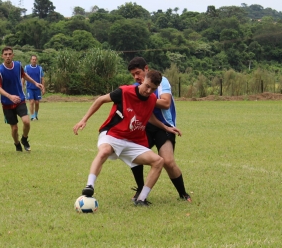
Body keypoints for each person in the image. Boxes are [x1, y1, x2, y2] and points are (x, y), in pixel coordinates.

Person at [73, 70, 181, 206]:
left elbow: (150, 116)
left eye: (153, 89)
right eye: (147, 86)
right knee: (105, 151)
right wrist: (84, 120)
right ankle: (89, 186)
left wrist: (165, 127)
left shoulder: (152, 99)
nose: (148, 91)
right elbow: (101, 100)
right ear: (143, 80)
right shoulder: (124, 91)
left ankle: (141, 199)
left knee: (159, 161)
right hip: (112, 134)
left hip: (130, 141)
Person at [128, 57, 192, 202]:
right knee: (135, 155)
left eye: (138, 73)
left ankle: (183, 194)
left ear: (146, 69)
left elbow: (165, 103)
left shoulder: (161, 81)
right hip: (146, 127)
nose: (136, 77)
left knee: (168, 161)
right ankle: (140, 190)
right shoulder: (135, 87)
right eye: (133, 75)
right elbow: (146, 114)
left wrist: (144, 96)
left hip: (165, 127)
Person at [0, 47, 44, 152]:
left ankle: (24, 139)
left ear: (13, 55)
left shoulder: (18, 66)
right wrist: (10, 96)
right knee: (14, 128)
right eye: (5, 54)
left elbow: (24, 75)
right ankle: (17, 144)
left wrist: (35, 83)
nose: (8, 56)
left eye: (9, 54)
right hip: (7, 103)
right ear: (2, 56)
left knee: (26, 122)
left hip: (19, 99)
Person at [22, 55, 45, 120]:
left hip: (37, 88)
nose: (34, 61)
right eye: (33, 59)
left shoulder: (40, 68)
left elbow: (42, 78)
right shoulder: (26, 68)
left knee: (37, 103)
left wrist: (43, 88)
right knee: (31, 102)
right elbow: (23, 77)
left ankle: (36, 115)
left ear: (36, 60)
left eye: (35, 59)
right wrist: (22, 86)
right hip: (29, 88)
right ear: (30, 60)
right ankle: (32, 116)